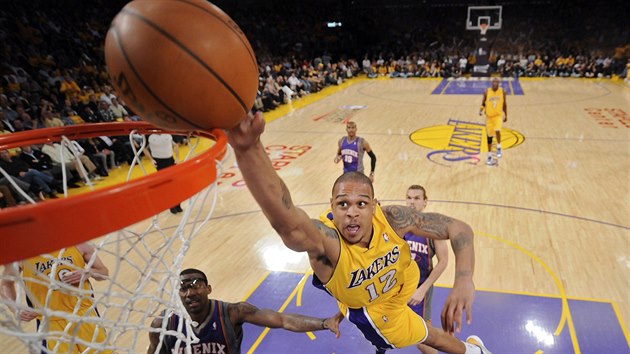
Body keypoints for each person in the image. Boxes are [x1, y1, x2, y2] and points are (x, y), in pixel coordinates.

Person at [228, 112, 491, 354]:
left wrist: (464, 279)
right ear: (331, 206)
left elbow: (459, 228)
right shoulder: (325, 243)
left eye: (361, 204)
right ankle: (474, 352)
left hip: (402, 280)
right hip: (380, 311)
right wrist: (248, 149)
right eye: (343, 204)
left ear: (374, 205)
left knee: (423, 327)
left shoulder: (392, 217)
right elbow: (288, 221)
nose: (352, 212)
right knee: (427, 336)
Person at [147, 268, 342, 354]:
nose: (190, 292)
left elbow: (282, 320)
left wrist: (324, 323)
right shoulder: (163, 325)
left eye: (196, 285)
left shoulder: (232, 313)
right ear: (178, 293)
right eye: (184, 288)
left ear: (208, 289)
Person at [0, 243, 111, 353]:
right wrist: (15, 309)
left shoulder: (79, 245)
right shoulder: (21, 255)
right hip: (51, 323)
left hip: (85, 315)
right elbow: (6, 283)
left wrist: (89, 273)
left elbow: (104, 272)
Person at [403, 185, 449, 354]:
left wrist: (423, 289)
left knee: (423, 339)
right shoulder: (399, 225)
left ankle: (465, 348)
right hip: (396, 288)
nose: (411, 202)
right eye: (408, 198)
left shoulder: (433, 228)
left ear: (425, 202)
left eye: (416, 198)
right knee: (381, 326)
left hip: (419, 290)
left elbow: (443, 261)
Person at [146, 134, 182, 214]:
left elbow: (176, 145)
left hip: (170, 160)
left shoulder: (168, 131)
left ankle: (178, 204)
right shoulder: (148, 134)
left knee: (174, 183)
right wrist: (151, 159)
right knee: (166, 184)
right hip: (159, 162)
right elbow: (144, 148)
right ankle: (171, 205)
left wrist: (177, 157)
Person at [479, 78, 507, 166]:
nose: (495, 83)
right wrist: (481, 110)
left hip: (498, 116)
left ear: (498, 83)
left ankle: (499, 146)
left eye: (496, 82)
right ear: (491, 83)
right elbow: (483, 103)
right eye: (493, 82)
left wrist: (506, 115)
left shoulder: (502, 92)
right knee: (489, 137)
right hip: (489, 117)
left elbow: (504, 104)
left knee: (497, 130)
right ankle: (489, 155)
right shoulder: (487, 92)